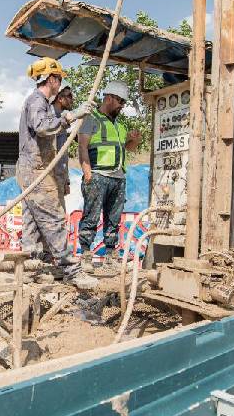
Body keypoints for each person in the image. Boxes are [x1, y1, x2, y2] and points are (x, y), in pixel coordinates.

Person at [17, 58, 92, 286]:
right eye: (58, 79)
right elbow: (41, 127)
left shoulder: (43, 103)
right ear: (51, 79)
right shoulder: (36, 101)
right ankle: (71, 270)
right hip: (37, 171)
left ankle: (31, 267)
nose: (60, 84)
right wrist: (70, 116)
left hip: (32, 170)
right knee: (53, 219)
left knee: (32, 222)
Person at [77, 82, 141, 269]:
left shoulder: (120, 126)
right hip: (97, 175)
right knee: (91, 216)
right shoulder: (90, 119)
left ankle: (111, 256)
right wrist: (87, 173)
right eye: (120, 101)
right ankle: (86, 255)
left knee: (114, 219)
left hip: (118, 178)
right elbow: (82, 146)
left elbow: (127, 148)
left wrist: (134, 140)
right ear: (109, 98)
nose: (122, 105)